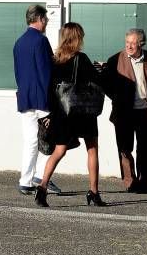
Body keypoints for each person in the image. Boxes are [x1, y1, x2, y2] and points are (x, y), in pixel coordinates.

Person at [34, 22, 107, 207]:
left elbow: (50, 89)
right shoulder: (81, 59)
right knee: (92, 149)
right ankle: (94, 192)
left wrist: (49, 114)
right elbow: (97, 81)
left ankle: (42, 189)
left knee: (59, 150)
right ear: (78, 38)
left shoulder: (55, 60)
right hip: (83, 110)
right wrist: (101, 68)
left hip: (62, 112)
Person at [101, 28, 147, 193]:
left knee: (145, 148)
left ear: (141, 43)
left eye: (133, 43)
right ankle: (129, 182)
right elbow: (105, 84)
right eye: (127, 42)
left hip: (144, 111)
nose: (130, 46)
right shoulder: (115, 60)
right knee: (125, 148)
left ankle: (144, 182)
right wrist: (117, 97)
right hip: (123, 112)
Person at [13, 5, 61, 195]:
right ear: (40, 19)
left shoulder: (19, 42)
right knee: (49, 140)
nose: (47, 22)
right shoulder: (41, 41)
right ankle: (40, 175)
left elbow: (18, 73)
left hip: (25, 97)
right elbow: (47, 71)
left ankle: (25, 180)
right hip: (42, 98)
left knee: (31, 141)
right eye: (46, 18)